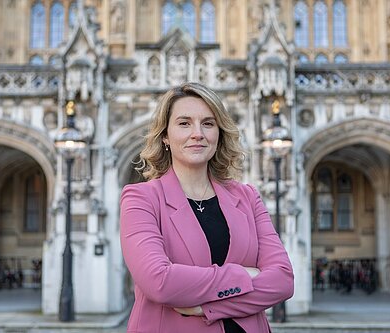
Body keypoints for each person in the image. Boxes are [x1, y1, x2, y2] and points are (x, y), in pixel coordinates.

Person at [120, 82, 294, 333]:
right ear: (165, 136)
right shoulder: (141, 198)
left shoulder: (247, 197)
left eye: (208, 123)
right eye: (184, 123)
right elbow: (159, 282)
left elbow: (283, 281)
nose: (197, 133)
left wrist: (209, 307)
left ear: (219, 134)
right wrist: (245, 275)